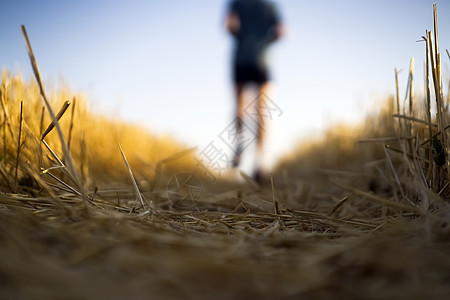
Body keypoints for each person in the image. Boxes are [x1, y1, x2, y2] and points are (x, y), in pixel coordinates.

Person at [225, 0, 284, 183]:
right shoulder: (270, 5)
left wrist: (244, 37)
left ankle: (239, 145)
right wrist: (263, 41)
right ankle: (259, 163)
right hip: (262, 59)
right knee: (262, 110)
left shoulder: (237, 3)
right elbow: (281, 32)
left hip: (240, 58)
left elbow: (230, 25)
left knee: (240, 107)